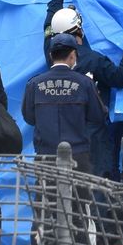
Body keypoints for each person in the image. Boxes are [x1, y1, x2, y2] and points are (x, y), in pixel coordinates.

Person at [43, 0, 123, 179]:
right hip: (92, 135)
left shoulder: (50, 54)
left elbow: (48, 26)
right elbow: (121, 78)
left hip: (60, 133)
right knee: (97, 183)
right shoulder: (94, 60)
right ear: (79, 30)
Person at [23, 39, 108, 173]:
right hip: (78, 155)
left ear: (51, 55)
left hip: (45, 155)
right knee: (80, 193)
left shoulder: (34, 84)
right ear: (73, 55)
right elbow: (98, 116)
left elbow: (29, 118)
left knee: (45, 193)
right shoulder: (85, 83)